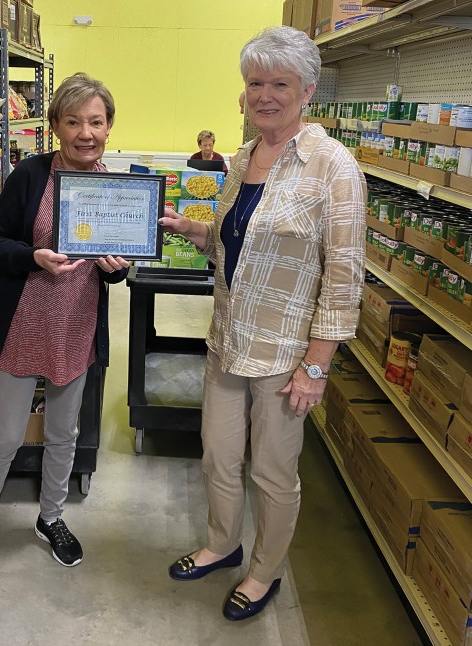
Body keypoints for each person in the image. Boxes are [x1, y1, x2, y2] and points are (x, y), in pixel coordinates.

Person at [161, 26, 365, 622]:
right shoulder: (242, 158)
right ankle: (222, 543)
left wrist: (316, 367)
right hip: (228, 340)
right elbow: (237, 244)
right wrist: (193, 230)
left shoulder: (333, 166)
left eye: (279, 84)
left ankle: (263, 571)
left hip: (286, 355)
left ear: (307, 91)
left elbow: (344, 277)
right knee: (218, 456)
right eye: (255, 83)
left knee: (273, 473)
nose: (265, 95)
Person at [0, 72, 130, 581]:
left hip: (75, 328)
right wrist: (33, 256)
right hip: (21, 326)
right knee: (5, 436)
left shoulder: (116, 188)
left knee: (63, 433)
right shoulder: (30, 176)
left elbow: (116, 266)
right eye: (73, 122)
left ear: (109, 126)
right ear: (55, 126)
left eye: (95, 122)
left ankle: (50, 517)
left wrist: (116, 269)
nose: (85, 133)